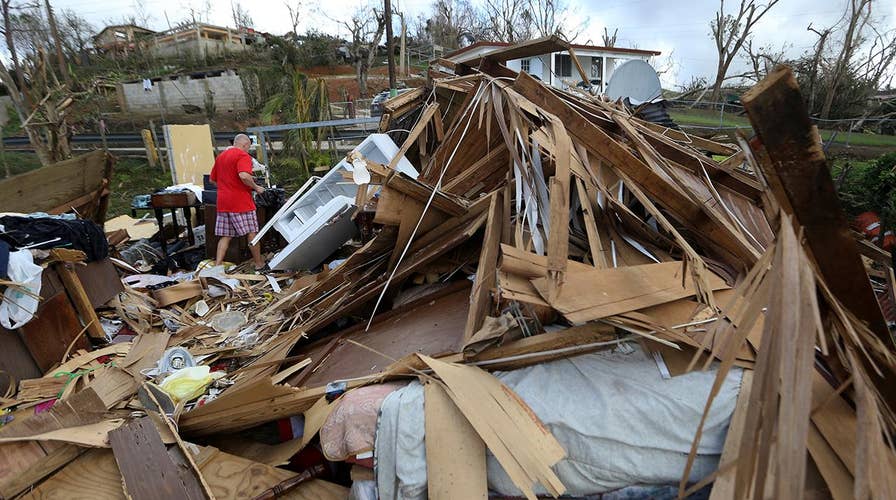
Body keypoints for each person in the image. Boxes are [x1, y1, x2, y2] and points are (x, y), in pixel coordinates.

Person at [210, 134, 267, 271]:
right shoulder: (243, 156)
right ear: (245, 145)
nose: (248, 150)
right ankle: (259, 264)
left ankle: (217, 266)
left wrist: (227, 184)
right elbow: (244, 175)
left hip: (223, 203)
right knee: (252, 232)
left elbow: (212, 180)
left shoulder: (221, 156)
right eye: (248, 147)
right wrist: (256, 187)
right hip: (240, 202)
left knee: (226, 235)